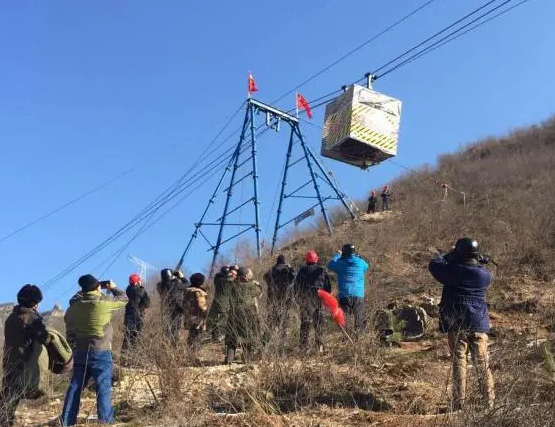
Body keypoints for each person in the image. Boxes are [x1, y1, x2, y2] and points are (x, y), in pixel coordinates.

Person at [428, 237, 495, 410]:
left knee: (459, 362)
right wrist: (480, 260)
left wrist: (449, 254)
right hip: (479, 323)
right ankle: (489, 402)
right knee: (482, 363)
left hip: (457, 323)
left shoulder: (452, 271)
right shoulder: (484, 275)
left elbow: (434, 264)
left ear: (458, 254)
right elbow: (477, 269)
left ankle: (459, 404)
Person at [61, 274, 128, 426]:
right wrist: (112, 288)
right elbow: (124, 298)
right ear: (97, 287)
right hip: (101, 350)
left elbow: (69, 321)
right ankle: (104, 421)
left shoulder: (73, 307)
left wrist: (83, 293)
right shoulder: (103, 303)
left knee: (75, 387)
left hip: (80, 352)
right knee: (103, 387)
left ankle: (66, 421)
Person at [0, 285, 49, 427]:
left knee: (8, 402)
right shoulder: (32, 318)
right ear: (35, 303)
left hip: (10, 363)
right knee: (24, 393)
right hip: (25, 365)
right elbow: (44, 338)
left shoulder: (11, 317)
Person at [294, 251, 332, 352]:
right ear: (316, 259)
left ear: (306, 260)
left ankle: (303, 348)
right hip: (319, 297)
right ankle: (320, 347)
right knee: (319, 322)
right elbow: (328, 287)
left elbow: (296, 287)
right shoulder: (321, 270)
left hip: (305, 298)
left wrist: (298, 299)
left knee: (305, 323)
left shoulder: (302, 271)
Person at [327, 244, 369, 334]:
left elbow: (330, 264)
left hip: (345, 295)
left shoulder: (341, 263)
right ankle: (360, 341)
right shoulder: (361, 263)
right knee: (359, 320)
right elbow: (366, 266)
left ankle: (349, 342)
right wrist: (358, 257)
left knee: (347, 321)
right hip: (359, 295)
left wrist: (338, 255)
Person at [225, 267, 262, 364]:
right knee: (248, 337)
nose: (251, 275)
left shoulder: (232, 285)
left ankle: (229, 359)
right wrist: (256, 283)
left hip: (232, 313)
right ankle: (246, 359)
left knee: (231, 337)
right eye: (250, 273)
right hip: (247, 314)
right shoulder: (251, 285)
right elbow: (259, 292)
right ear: (246, 276)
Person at [263, 255, 295, 338]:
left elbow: (265, 277)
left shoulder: (272, 270)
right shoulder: (287, 269)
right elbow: (294, 277)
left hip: (273, 298)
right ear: (284, 261)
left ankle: (266, 339)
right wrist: (291, 268)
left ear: (277, 261)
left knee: (272, 318)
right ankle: (284, 338)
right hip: (286, 297)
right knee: (285, 317)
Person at [121, 273, 150, 363]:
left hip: (128, 316)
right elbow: (147, 303)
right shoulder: (141, 290)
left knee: (127, 337)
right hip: (137, 316)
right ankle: (134, 359)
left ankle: (123, 358)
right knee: (137, 337)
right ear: (137, 282)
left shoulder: (128, 289)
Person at [157, 268, 188, 344]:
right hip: (177, 309)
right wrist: (182, 277)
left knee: (167, 329)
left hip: (165, 309)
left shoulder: (159, 286)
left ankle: (166, 345)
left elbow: (165, 282)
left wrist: (173, 278)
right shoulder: (176, 284)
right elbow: (187, 285)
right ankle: (174, 346)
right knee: (175, 329)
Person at [207, 265, 237, 342]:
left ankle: (213, 335)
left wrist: (228, 270)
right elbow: (236, 279)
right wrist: (234, 271)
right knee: (222, 319)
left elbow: (218, 274)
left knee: (214, 318)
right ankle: (219, 336)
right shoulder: (229, 280)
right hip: (225, 303)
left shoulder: (217, 279)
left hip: (216, 301)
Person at [184, 273, 208, 350]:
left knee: (191, 335)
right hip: (198, 317)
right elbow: (202, 306)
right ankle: (194, 353)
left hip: (189, 316)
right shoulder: (198, 292)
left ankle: (189, 351)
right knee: (196, 335)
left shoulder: (187, 291)